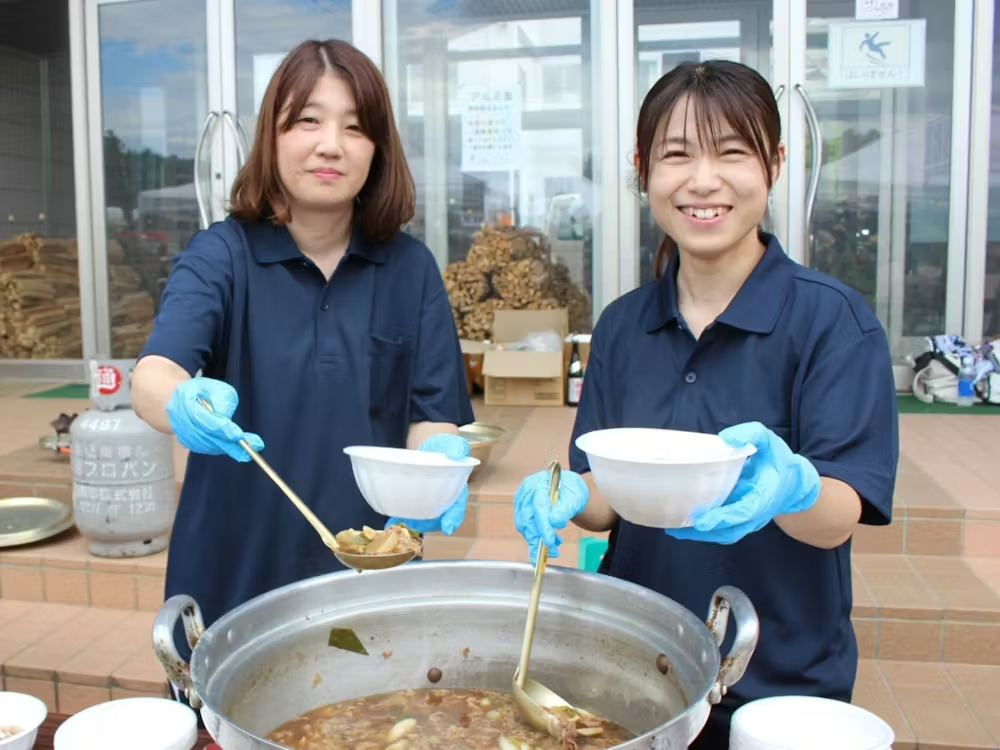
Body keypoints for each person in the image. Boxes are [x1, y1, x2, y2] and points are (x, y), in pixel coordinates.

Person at [512, 60, 898, 749]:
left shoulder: (831, 322)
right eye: (676, 155)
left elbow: (839, 514)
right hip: (636, 670)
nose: (703, 181)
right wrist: (568, 492)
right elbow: (606, 500)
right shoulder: (625, 326)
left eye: (732, 152)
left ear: (774, 163)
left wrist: (792, 486)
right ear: (642, 170)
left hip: (777, 685)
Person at [131, 39, 475, 637]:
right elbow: (154, 375)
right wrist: (182, 404)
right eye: (307, 121)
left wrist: (432, 471)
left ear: (378, 149)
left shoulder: (410, 268)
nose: (330, 145)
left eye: (355, 127)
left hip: (369, 572)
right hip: (231, 569)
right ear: (273, 136)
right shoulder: (222, 255)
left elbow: (431, 415)